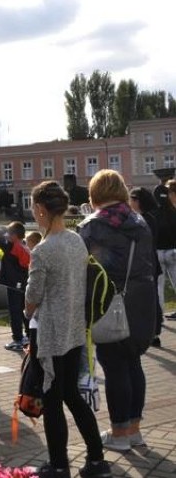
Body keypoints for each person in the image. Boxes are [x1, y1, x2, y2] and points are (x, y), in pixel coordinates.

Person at [25, 181, 110, 478]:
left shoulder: (43, 250)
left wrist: (27, 310)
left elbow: (32, 298)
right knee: (72, 394)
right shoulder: (76, 240)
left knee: (52, 399)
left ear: (40, 210)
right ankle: (97, 460)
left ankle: (59, 464)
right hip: (75, 329)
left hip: (51, 332)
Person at [79, 171, 156, 452]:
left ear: (96, 192)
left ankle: (119, 432)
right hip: (142, 304)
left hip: (109, 304)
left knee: (114, 368)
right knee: (134, 364)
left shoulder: (91, 227)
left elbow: (84, 271)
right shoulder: (140, 223)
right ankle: (134, 430)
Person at [129, 187, 163, 347]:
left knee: (149, 300)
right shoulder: (150, 218)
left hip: (145, 265)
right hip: (151, 263)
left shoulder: (142, 220)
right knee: (152, 298)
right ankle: (154, 331)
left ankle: (152, 332)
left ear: (137, 201)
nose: (129, 203)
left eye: (131, 200)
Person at [0, 221, 31, 352]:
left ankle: (18, 339)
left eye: (9, 233)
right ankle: (28, 336)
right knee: (23, 311)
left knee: (15, 311)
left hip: (14, 285)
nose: (7, 235)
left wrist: (3, 229)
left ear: (15, 235)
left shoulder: (11, 246)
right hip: (23, 284)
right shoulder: (23, 245)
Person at [153, 179, 176, 321]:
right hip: (173, 250)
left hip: (158, 251)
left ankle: (159, 316)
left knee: (158, 286)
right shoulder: (173, 211)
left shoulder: (154, 213)